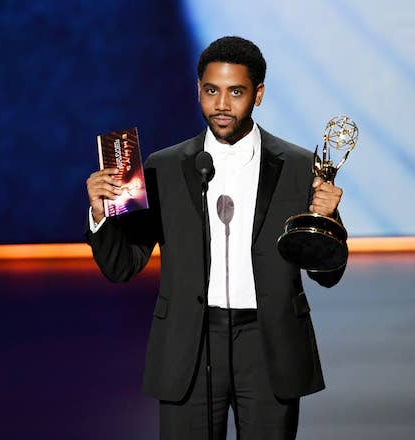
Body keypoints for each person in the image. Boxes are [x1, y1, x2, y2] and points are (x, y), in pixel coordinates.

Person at [85, 36, 346, 440]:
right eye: (211, 91)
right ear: (198, 91)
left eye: (235, 91)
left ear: (258, 94)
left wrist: (325, 222)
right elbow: (122, 266)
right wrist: (102, 216)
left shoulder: (298, 166)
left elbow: (327, 273)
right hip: (190, 342)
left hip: (268, 343)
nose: (222, 104)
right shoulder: (163, 167)